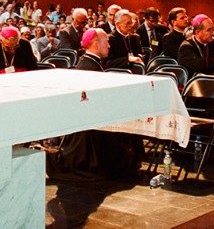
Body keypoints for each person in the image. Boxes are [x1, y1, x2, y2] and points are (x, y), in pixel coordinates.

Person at [46, 27, 144, 181]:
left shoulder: (91, 62)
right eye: (106, 42)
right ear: (96, 45)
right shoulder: (89, 67)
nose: (109, 46)